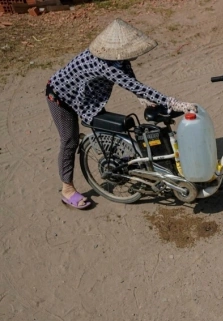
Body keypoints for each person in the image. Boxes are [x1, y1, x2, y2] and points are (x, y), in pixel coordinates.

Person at [46, 19, 196, 209]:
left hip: (87, 97)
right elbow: (131, 83)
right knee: (70, 141)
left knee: (107, 128)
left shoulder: (118, 58)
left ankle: (117, 164)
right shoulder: (103, 64)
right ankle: (67, 190)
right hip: (60, 96)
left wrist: (140, 96)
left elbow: (131, 79)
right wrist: (172, 102)